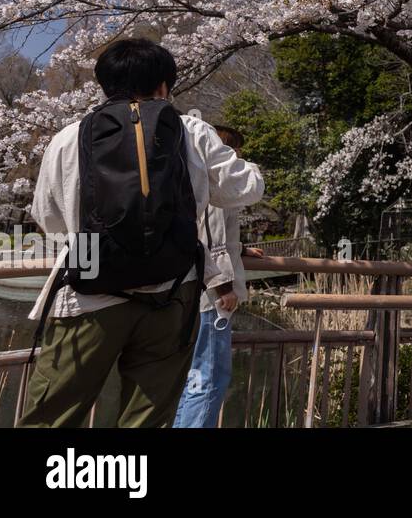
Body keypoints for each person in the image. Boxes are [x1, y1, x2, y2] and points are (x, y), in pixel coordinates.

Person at [18, 39, 265, 427]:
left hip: (87, 289)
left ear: (104, 85)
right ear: (164, 86)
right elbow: (247, 189)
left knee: (52, 414)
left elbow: (48, 221)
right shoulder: (192, 131)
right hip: (171, 292)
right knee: (147, 418)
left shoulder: (70, 137)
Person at [173, 125, 264, 427]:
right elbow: (210, 239)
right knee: (210, 375)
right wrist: (223, 286)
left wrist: (241, 249)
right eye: (234, 149)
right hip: (211, 296)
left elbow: (213, 236)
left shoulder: (191, 179)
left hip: (188, 291)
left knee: (193, 376)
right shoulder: (215, 182)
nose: (237, 156)